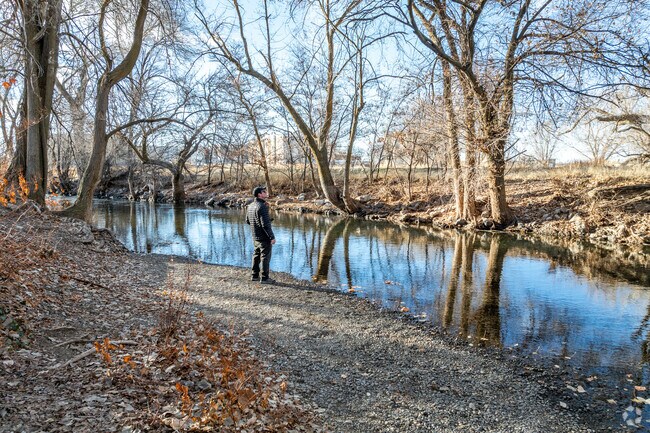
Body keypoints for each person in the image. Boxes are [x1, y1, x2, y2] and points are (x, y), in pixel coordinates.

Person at [245, 186, 276, 284]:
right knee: (265, 257)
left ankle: (254, 275)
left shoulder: (251, 205)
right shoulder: (262, 206)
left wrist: (263, 223)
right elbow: (265, 224)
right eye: (264, 192)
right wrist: (272, 237)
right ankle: (265, 278)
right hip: (264, 237)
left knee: (256, 255)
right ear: (259, 194)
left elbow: (248, 221)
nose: (266, 193)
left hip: (255, 236)